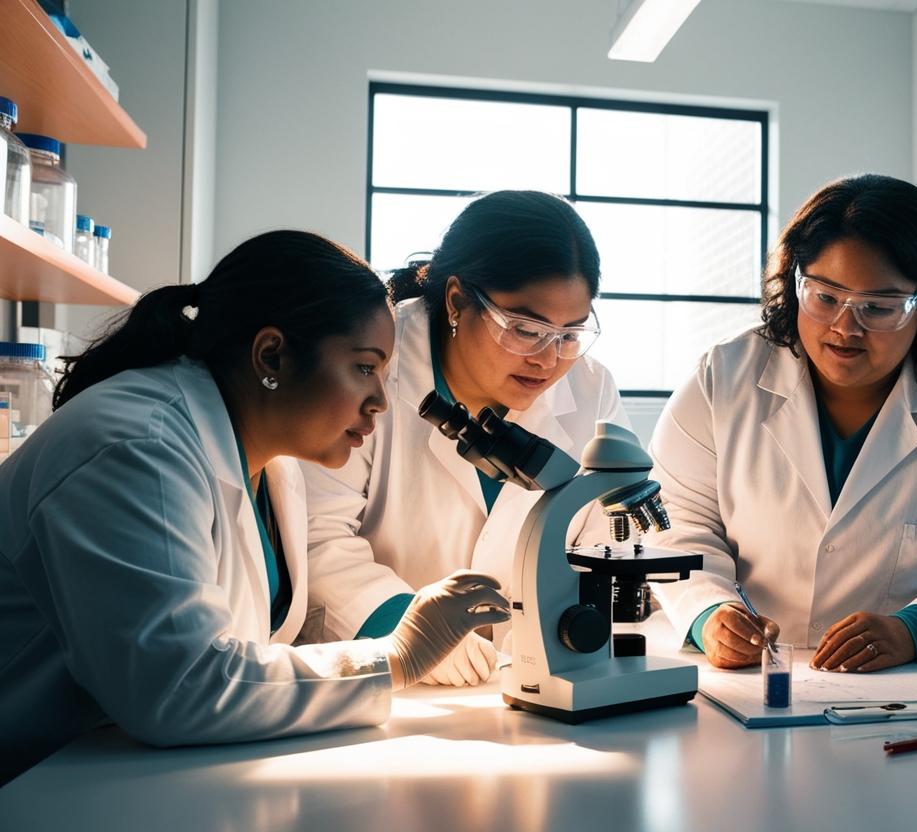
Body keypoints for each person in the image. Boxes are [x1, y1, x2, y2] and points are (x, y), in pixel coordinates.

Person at [0, 231, 509, 783]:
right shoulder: (136, 447)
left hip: (118, 768)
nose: (381, 402)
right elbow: (178, 686)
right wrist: (394, 657)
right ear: (272, 355)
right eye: (365, 368)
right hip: (31, 772)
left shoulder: (271, 463)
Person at [648, 174, 917, 672]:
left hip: (908, 687)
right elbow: (673, 522)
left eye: (878, 307)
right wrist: (709, 613)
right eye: (824, 297)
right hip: (751, 678)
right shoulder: (722, 380)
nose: (846, 327)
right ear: (795, 278)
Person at [303, 191, 627, 686]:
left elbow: (605, 539)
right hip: (376, 676)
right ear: (456, 302)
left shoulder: (592, 388)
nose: (548, 359)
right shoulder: (372, 368)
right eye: (524, 329)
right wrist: (408, 630)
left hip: (525, 676)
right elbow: (318, 537)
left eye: (570, 334)